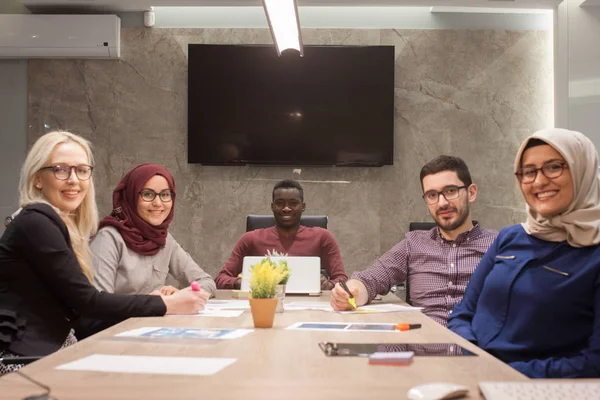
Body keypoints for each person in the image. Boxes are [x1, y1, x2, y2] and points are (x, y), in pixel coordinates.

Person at [0, 131, 208, 375]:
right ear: (37, 179)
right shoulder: (37, 221)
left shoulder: (59, 224)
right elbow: (89, 302)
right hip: (26, 362)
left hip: (57, 348)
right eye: (60, 170)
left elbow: (79, 313)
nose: (74, 180)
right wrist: (162, 304)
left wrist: (156, 306)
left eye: (82, 170)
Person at [448, 128, 600, 379]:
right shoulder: (509, 237)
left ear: (581, 170)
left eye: (554, 167)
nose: (539, 181)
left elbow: (595, 362)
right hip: (474, 376)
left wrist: (505, 373)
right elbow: (463, 313)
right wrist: (473, 358)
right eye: (529, 172)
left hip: (539, 389)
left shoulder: (594, 253)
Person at [330, 155, 497, 326]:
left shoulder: (499, 246)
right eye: (432, 195)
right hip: (424, 346)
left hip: (478, 346)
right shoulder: (414, 243)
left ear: (471, 193)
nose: (442, 203)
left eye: (451, 191)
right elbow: (369, 280)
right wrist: (350, 293)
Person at [91, 164, 216, 297]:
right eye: (148, 194)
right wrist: (156, 304)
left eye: (165, 194)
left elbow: (207, 282)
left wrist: (182, 294)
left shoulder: (164, 239)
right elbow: (98, 302)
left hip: (155, 317)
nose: (158, 203)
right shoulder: (108, 238)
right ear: (131, 196)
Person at [216, 179, 347, 290]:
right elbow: (221, 279)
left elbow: (341, 279)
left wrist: (329, 285)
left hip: (309, 305)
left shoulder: (322, 237)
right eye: (280, 203)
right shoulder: (250, 239)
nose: (286, 208)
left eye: (293, 203)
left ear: (303, 206)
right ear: (272, 206)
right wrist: (244, 283)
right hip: (263, 304)